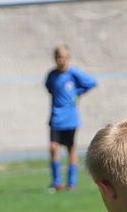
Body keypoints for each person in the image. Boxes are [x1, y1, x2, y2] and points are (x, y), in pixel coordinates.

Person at [44, 45, 97, 192]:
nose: (61, 60)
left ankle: (72, 183)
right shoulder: (52, 76)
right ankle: (56, 182)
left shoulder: (73, 73)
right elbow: (49, 88)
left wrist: (76, 92)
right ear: (55, 59)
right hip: (56, 117)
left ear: (68, 58)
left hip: (70, 119)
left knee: (70, 149)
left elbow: (92, 82)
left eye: (64, 57)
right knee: (53, 147)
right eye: (58, 57)